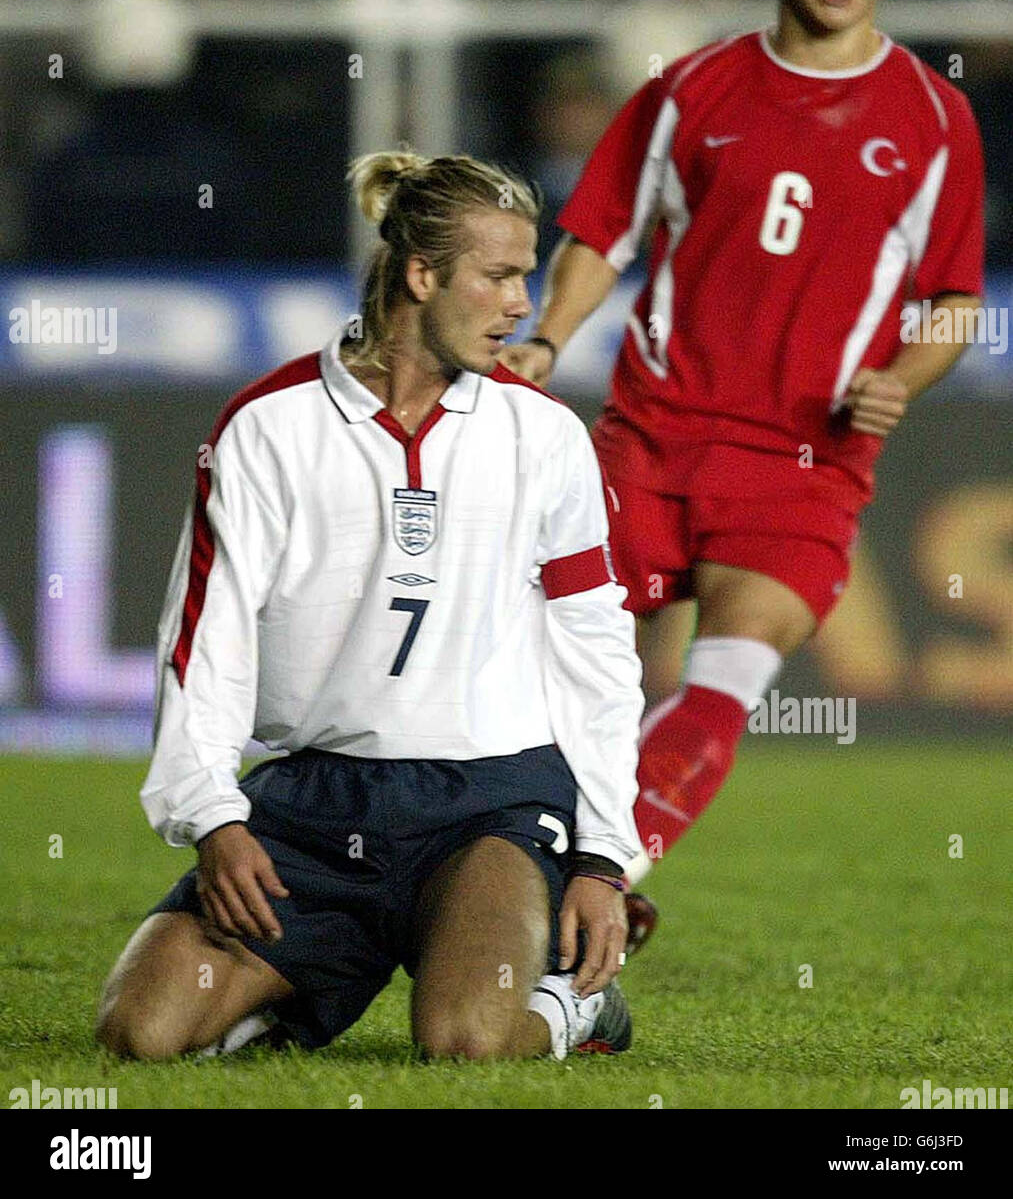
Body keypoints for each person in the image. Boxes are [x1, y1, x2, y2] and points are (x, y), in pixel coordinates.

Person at [501, 0, 985, 885]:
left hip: (803, 460)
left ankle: (596, 889)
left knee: (728, 674)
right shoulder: (692, 89)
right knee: (564, 676)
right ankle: (493, 880)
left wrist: (897, 379)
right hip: (652, 434)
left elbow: (953, 303)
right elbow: (600, 231)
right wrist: (547, 336)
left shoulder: (934, 120)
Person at [95, 151, 644, 1062]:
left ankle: (573, 1007)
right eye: (501, 276)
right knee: (140, 1034)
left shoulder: (543, 435)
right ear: (422, 276)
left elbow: (595, 648)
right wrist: (215, 816)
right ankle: (300, 988)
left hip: (490, 804)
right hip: (315, 801)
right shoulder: (268, 426)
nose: (522, 305)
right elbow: (205, 640)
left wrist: (601, 857)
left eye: (527, 277)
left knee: (465, 1041)